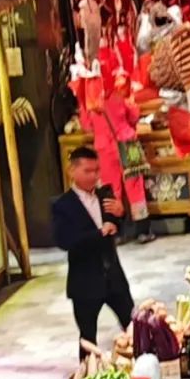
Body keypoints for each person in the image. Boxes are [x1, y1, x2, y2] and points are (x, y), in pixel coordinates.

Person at [52, 145, 135, 358]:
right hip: (85, 283)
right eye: (87, 171)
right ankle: (87, 374)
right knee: (88, 339)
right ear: (72, 171)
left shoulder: (104, 194)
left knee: (134, 326)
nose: (94, 176)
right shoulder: (63, 205)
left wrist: (121, 214)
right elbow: (64, 241)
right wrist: (98, 234)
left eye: (96, 170)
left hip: (114, 276)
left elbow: (119, 230)